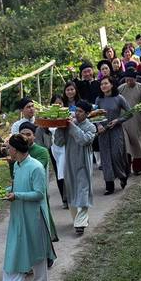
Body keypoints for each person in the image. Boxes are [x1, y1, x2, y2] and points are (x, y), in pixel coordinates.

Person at [0, 134, 56, 281]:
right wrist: (7, 190)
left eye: (9, 148)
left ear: (15, 150)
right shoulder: (17, 165)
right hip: (18, 213)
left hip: (34, 215)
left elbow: (38, 194)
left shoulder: (36, 167)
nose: (8, 150)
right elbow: (18, 185)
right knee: (14, 249)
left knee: (36, 249)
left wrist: (16, 195)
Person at [54, 100, 96, 235]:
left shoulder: (91, 127)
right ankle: (78, 220)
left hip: (84, 163)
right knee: (71, 191)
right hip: (70, 162)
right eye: (76, 110)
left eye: (80, 111)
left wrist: (71, 126)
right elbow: (59, 142)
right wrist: (60, 128)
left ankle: (80, 223)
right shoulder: (69, 125)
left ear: (87, 114)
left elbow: (83, 140)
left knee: (83, 191)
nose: (77, 113)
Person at [19, 121, 59, 245]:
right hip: (21, 190)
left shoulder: (41, 151)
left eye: (28, 134)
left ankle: (48, 244)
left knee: (42, 217)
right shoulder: (15, 152)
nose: (25, 137)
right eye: (22, 134)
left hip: (37, 190)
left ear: (34, 136)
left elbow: (37, 170)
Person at [95, 76, 131, 194]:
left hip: (116, 131)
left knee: (117, 155)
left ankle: (122, 176)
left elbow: (130, 112)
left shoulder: (119, 98)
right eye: (101, 84)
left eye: (106, 83)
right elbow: (94, 115)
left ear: (111, 85)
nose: (103, 86)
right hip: (103, 132)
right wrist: (99, 125)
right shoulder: (98, 100)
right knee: (105, 157)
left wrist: (118, 120)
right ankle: (109, 185)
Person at [36, 94, 67, 209]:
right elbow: (42, 134)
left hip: (66, 148)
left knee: (66, 173)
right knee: (59, 173)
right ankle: (64, 198)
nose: (58, 106)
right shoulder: (47, 120)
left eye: (60, 103)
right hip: (53, 149)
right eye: (55, 104)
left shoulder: (67, 117)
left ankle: (70, 196)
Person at [118, 70, 141, 175]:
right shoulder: (120, 88)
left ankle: (137, 168)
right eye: (127, 80)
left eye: (131, 80)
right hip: (124, 120)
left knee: (137, 144)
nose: (128, 82)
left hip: (138, 120)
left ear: (135, 79)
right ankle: (126, 169)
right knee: (125, 146)